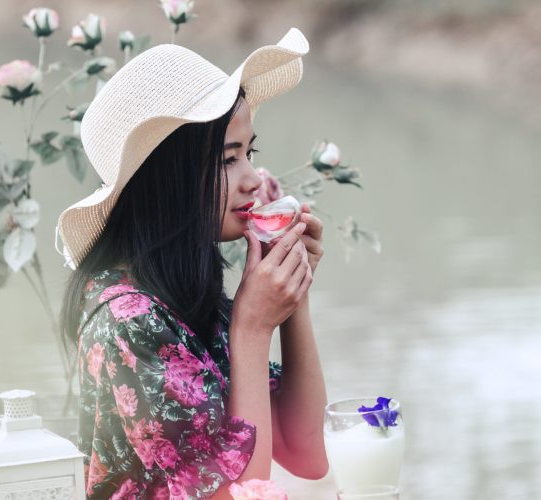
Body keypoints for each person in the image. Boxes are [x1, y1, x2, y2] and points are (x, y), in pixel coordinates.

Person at [54, 28, 328, 498]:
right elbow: (240, 493)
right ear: (168, 179)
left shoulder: (189, 294)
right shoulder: (126, 320)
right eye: (227, 160)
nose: (252, 180)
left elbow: (307, 452)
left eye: (249, 153)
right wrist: (252, 327)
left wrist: (291, 296)